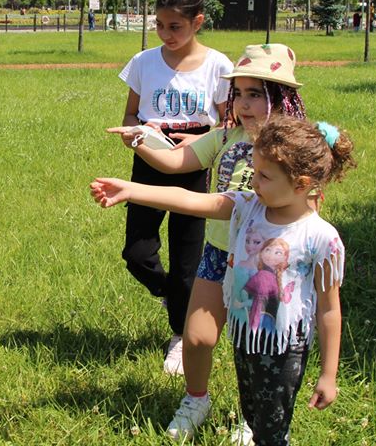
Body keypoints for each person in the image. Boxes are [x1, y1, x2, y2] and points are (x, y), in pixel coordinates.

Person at [91, 115, 355, 446]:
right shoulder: (247, 207)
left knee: (271, 432)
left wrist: (328, 374)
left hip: (284, 349)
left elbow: (329, 310)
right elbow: (190, 200)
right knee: (254, 414)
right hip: (244, 340)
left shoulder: (321, 238)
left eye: (264, 176)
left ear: (301, 185)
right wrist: (131, 190)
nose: (253, 182)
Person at [109, 43, 307, 440]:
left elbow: (231, 204)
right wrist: (140, 140)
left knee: (255, 348)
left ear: (280, 97)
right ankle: (196, 400)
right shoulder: (226, 135)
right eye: (239, 93)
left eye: (256, 94)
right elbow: (178, 162)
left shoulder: (291, 150)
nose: (244, 103)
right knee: (197, 336)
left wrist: (134, 190)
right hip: (219, 254)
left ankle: (254, 419)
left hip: (266, 264)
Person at [113, 0, 233, 375]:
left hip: (194, 164)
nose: (166, 34)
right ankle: (171, 294)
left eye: (175, 26)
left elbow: (228, 123)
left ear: (198, 22)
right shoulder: (144, 62)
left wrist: (200, 142)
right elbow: (131, 114)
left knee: (187, 262)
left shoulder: (218, 66)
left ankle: (180, 335)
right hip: (148, 158)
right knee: (136, 253)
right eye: (160, 25)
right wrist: (134, 135)